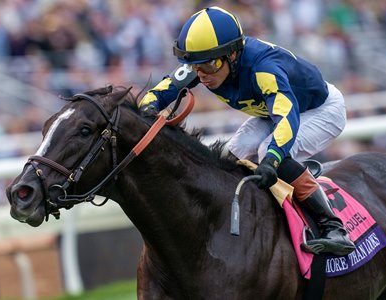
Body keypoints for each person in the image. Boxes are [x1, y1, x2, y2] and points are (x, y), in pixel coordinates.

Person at [139, 6, 355, 256]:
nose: (201, 75)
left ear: (232, 55)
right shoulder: (207, 60)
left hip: (320, 110)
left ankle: (333, 227)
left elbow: (287, 117)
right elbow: (159, 92)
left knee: (269, 152)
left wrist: (273, 159)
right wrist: (148, 110)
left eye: (207, 67)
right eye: (195, 67)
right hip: (271, 112)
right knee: (232, 156)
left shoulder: (264, 70)